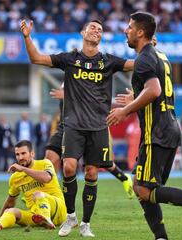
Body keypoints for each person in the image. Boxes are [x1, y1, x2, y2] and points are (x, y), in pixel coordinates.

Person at [106, 12, 182, 239]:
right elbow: (157, 93)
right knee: (142, 188)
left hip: (156, 133)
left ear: (140, 32)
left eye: (129, 27)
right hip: (167, 128)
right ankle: (161, 237)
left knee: (144, 190)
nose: (125, 30)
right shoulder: (160, 56)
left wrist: (125, 110)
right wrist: (137, 98)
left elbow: (155, 91)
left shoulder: (144, 59)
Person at [21, 19, 134, 237]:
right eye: (93, 27)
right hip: (73, 125)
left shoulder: (108, 61)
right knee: (70, 167)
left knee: (92, 172)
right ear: (83, 32)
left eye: (100, 30)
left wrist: (149, 49)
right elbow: (36, 58)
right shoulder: (69, 59)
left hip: (99, 126)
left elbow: (137, 64)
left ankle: (86, 224)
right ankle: (70, 216)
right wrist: (27, 37)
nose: (96, 31)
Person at [46, 86, 135, 198]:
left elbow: (91, 100)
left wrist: (69, 96)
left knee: (103, 162)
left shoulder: (89, 77)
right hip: (65, 126)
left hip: (87, 127)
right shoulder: (67, 74)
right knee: (50, 158)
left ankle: (124, 178)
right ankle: (48, 193)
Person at [0, 140, 66, 231]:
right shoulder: (15, 177)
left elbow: (46, 178)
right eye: (17, 154)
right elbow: (10, 202)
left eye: (23, 153)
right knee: (11, 211)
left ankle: (47, 219)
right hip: (36, 217)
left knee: (37, 194)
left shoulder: (45, 163)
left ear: (32, 154)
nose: (20, 157)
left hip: (59, 210)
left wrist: (24, 169)